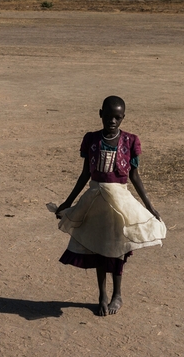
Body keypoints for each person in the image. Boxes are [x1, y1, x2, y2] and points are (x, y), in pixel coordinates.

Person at [53, 95, 166, 316]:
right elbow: (85, 174)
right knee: (98, 248)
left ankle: (117, 294)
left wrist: (150, 206)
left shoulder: (130, 141)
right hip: (95, 201)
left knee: (117, 250)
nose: (112, 121)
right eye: (108, 116)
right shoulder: (92, 139)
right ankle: (102, 295)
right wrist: (68, 202)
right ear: (100, 114)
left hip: (120, 203)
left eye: (117, 117)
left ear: (123, 117)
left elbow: (135, 176)